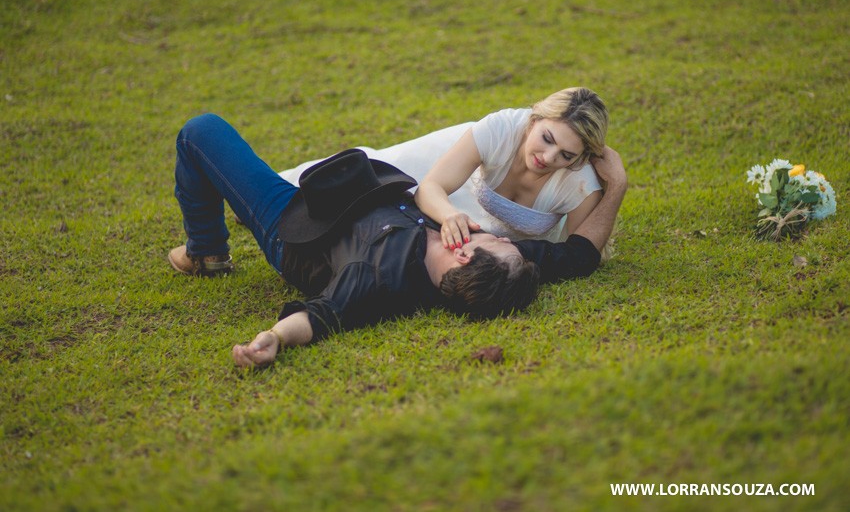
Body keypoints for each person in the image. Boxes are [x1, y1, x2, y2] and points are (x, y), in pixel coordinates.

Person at [168, 113, 626, 369]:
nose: (502, 237)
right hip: (362, 187)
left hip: (295, 224)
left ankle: (205, 250)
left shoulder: (376, 279)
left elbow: (322, 315)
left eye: (493, 241)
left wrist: (272, 339)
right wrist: (617, 185)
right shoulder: (502, 266)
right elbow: (581, 256)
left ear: (463, 255)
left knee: (200, 133)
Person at [278, 88, 610, 253]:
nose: (549, 157)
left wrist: (618, 184)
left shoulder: (580, 182)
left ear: (579, 158)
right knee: (379, 164)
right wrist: (449, 214)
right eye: (546, 138)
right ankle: (285, 188)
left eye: (566, 154)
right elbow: (431, 186)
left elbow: (577, 254)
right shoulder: (500, 129)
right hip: (460, 172)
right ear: (535, 119)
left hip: (484, 224)